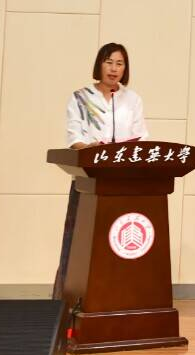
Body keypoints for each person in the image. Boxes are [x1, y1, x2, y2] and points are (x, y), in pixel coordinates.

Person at [54, 43, 148, 299]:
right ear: (99, 65)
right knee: (84, 240)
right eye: (109, 62)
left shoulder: (132, 99)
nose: (114, 69)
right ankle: (74, 296)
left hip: (123, 180)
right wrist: (90, 149)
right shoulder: (80, 97)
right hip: (89, 179)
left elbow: (141, 137)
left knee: (117, 238)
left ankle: (119, 293)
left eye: (119, 63)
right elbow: (74, 136)